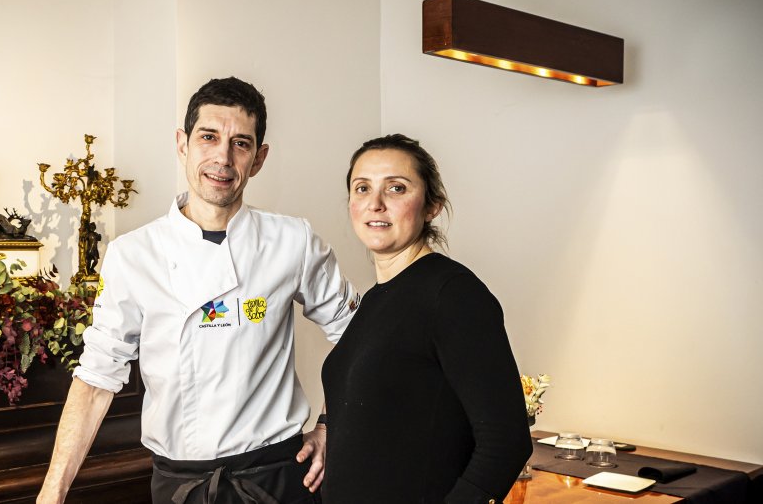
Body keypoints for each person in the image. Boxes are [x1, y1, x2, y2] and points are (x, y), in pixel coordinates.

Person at [38, 77, 358, 504]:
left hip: (278, 478)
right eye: (208, 137)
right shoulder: (134, 255)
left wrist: (330, 423)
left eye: (240, 143)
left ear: (259, 158)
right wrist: (52, 493)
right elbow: (96, 379)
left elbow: (359, 335)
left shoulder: (292, 241)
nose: (222, 158)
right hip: (180, 486)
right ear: (182, 143)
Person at [320, 134, 531, 503]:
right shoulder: (375, 300)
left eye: (396, 188)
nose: (375, 204)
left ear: (432, 206)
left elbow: (506, 443)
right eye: (362, 188)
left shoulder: (453, 294)